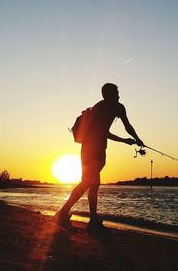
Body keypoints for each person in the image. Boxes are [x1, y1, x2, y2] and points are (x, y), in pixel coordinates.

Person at [56, 83, 144, 231]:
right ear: (108, 94)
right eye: (116, 92)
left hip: (90, 149)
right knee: (88, 183)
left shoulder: (103, 107)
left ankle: (92, 220)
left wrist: (130, 139)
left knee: (93, 184)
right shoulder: (112, 107)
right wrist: (132, 139)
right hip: (94, 150)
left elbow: (108, 131)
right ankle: (64, 214)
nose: (118, 95)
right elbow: (115, 130)